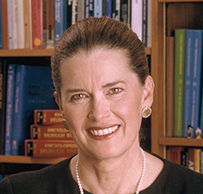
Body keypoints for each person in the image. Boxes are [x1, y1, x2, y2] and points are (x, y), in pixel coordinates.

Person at [1, 16, 203, 194]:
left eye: (114, 91)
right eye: (79, 96)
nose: (98, 113)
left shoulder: (195, 189)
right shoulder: (17, 190)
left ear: (146, 93)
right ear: (61, 106)